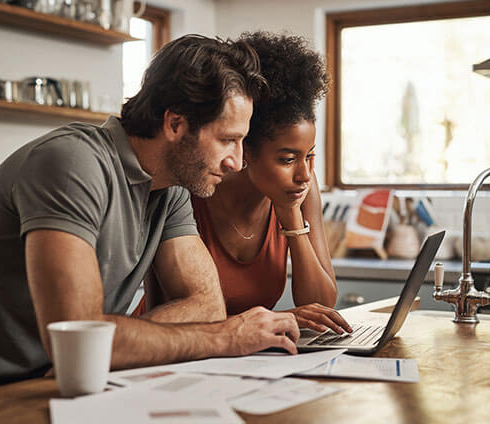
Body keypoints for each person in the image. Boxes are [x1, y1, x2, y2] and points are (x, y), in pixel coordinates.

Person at [0, 34, 301, 403]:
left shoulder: (172, 188)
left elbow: (206, 306)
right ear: (175, 124)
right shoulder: (71, 164)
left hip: (72, 385)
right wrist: (224, 338)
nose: (235, 162)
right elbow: (80, 338)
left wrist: (109, 344)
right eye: (227, 140)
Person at [140, 32, 352, 335]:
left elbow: (321, 305)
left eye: (310, 156)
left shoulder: (300, 190)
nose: (304, 174)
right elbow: (168, 310)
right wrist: (276, 320)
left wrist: (291, 217)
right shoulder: (190, 187)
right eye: (287, 159)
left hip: (246, 356)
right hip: (170, 349)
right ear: (245, 149)